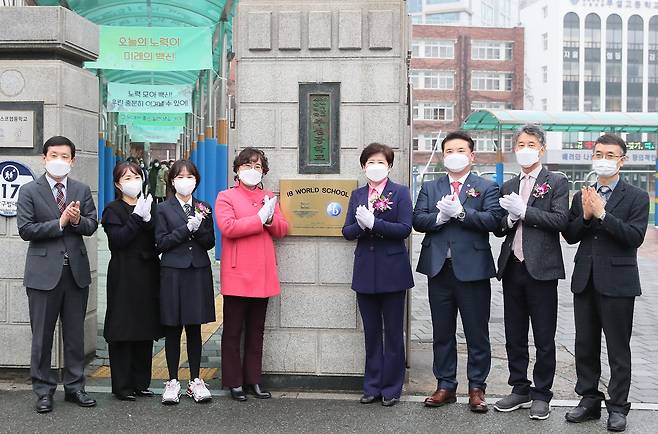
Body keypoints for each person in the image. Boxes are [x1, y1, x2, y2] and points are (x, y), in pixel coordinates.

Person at [562, 134, 649, 432]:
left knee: (617, 348)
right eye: (599, 153)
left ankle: (618, 406)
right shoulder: (582, 194)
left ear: (622, 160)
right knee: (585, 344)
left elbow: (634, 237)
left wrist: (602, 214)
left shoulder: (637, 196)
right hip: (585, 279)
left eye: (610, 154)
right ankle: (588, 399)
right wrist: (586, 216)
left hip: (618, 282)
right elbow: (571, 235)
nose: (603, 158)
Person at [413, 131, 502, 413]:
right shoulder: (431, 186)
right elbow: (418, 219)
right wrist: (439, 217)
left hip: (472, 270)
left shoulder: (486, 187)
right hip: (439, 268)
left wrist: (462, 213)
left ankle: (477, 387)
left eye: (460, 150)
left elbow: (493, 220)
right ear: (442, 156)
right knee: (442, 331)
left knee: (477, 332)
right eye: (449, 151)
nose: (454, 155)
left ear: (472, 156)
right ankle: (445, 385)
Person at [492, 124, 569, 420]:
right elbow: (500, 227)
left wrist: (525, 211)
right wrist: (510, 218)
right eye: (521, 144)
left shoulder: (556, 181)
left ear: (541, 148)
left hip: (542, 269)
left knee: (544, 335)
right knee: (514, 333)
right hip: (513, 266)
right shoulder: (509, 185)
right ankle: (519, 387)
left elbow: (560, 220)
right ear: (515, 149)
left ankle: (542, 393)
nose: (525, 148)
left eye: (531, 143)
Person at [16, 136, 98, 413]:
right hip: (42, 274)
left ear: (72, 160)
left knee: (75, 334)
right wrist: (60, 223)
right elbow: (26, 230)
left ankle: (75, 387)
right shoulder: (29, 191)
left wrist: (76, 221)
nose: (59, 160)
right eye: (54, 155)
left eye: (65, 156)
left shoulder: (81, 189)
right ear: (44, 158)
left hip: (75, 273)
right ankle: (43, 390)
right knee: (42, 335)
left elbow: (91, 224)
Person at [342, 143, 414, 407]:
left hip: (393, 272)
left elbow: (405, 228)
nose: (375, 166)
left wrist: (376, 224)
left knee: (393, 332)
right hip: (365, 273)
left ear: (390, 166)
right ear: (363, 166)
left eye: (381, 162)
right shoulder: (357, 195)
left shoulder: (401, 193)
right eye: (370, 162)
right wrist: (361, 227)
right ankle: (371, 386)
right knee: (371, 333)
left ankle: (392, 388)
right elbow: (347, 231)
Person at [215, 147, 288, 401]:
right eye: (247, 166)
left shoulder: (269, 196)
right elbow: (228, 227)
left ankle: (253, 379)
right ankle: (234, 381)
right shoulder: (226, 196)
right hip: (237, 273)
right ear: (237, 169)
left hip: (263, 274)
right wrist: (258, 219)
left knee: (256, 330)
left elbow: (282, 228)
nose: (252, 171)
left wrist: (269, 219)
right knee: (233, 330)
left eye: (257, 167)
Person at [154, 160, 216, 405]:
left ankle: (195, 380)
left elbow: (210, 242)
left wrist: (198, 227)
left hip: (197, 271)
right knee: (172, 327)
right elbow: (160, 243)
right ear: (172, 180)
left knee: (194, 328)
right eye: (180, 176)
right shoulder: (163, 209)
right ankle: (171, 381)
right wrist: (185, 229)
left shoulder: (203, 207)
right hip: (172, 271)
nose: (185, 180)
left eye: (190, 176)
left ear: (196, 180)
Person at [101, 161, 162, 401]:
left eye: (136, 176)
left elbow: (157, 240)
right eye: (126, 178)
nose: (132, 181)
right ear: (117, 183)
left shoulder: (149, 205)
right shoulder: (112, 210)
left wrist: (148, 220)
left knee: (144, 327)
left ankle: (141, 382)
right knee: (123, 327)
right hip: (124, 274)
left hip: (147, 273)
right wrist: (137, 219)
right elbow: (118, 241)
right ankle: (123, 385)